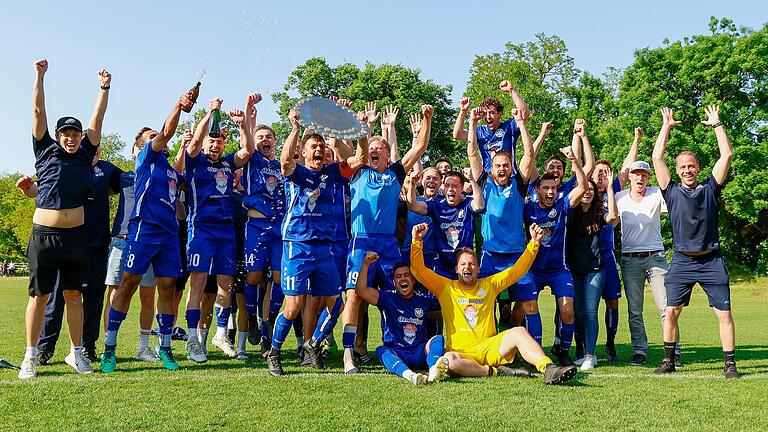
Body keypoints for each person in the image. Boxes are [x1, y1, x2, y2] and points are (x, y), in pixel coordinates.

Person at [18, 59, 110, 379]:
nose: (71, 138)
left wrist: (104, 88)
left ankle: (76, 352)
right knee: (40, 296)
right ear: (58, 136)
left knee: (74, 296)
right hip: (44, 235)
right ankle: (30, 355)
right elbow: (38, 112)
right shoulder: (44, 151)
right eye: (66, 133)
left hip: (75, 237)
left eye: (75, 133)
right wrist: (40, 76)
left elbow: (97, 120)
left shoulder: (86, 154)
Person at [264, 109, 369, 376]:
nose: (319, 150)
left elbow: (361, 158)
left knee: (337, 308)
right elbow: (285, 161)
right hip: (297, 245)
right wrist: (295, 128)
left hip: (324, 247)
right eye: (314, 146)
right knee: (293, 305)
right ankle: (274, 352)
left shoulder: (333, 172)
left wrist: (361, 132)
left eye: (322, 146)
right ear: (304, 150)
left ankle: (312, 344)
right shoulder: (296, 173)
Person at [410, 223, 576, 384]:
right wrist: (417, 241)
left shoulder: (489, 284)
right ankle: (496, 372)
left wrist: (534, 243)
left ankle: (548, 368)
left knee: (518, 331)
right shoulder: (445, 287)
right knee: (448, 361)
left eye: (472, 264)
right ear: (456, 269)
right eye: (463, 264)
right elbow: (418, 270)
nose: (468, 267)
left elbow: (517, 270)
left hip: (490, 348)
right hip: (461, 353)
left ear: (478, 269)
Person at [100, 90, 195, 373]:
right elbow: (167, 131)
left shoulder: (169, 171)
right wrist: (178, 105)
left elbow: (186, 163)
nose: (159, 140)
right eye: (151, 137)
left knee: (167, 288)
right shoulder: (145, 160)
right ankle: (110, 347)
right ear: (142, 146)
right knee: (127, 285)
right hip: (143, 229)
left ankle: (164, 346)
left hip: (168, 234)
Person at [337, 104, 433, 374]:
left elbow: (420, 148)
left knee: (396, 294)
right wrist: (363, 129)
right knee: (354, 296)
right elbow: (353, 147)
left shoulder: (395, 173)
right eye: (373, 149)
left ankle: (400, 346)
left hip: (388, 243)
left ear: (389, 155)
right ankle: (348, 354)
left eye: (381, 148)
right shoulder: (358, 171)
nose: (376, 151)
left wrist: (427, 119)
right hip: (361, 241)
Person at [652, 106, 738, 378]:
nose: (687, 170)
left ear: (698, 168)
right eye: (682, 167)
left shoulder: (710, 188)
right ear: (677, 171)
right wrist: (666, 127)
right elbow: (657, 158)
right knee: (672, 310)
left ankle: (730, 364)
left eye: (691, 166)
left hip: (711, 259)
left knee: (723, 314)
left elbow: (727, 154)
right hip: (682, 260)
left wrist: (717, 125)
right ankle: (668, 361)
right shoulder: (672, 191)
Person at [18, 146, 123, 365]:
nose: (92, 152)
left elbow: (130, 183)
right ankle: (45, 348)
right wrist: (28, 188)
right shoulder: (66, 165)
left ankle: (87, 347)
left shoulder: (108, 170)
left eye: (95, 149)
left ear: (99, 151)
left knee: (93, 296)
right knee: (55, 296)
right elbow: (40, 189)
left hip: (96, 244)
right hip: (68, 241)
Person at [183, 95, 257, 361]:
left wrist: (241, 124)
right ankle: (194, 339)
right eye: (211, 141)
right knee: (199, 285)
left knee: (226, 285)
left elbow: (247, 150)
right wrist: (211, 112)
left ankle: (219, 334)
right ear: (203, 144)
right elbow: (192, 144)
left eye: (219, 141)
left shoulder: (227, 162)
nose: (215, 144)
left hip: (226, 231)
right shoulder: (195, 161)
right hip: (201, 229)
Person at [466, 105, 540, 344]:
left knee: (529, 303)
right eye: (498, 165)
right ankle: (484, 346)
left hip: (517, 255)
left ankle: (537, 350)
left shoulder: (519, 184)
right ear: (492, 168)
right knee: (482, 303)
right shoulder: (485, 184)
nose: (502, 168)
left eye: (506, 165)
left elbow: (529, 154)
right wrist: (472, 121)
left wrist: (521, 124)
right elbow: (472, 152)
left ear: (511, 167)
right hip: (490, 256)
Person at [523, 146, 589, 366]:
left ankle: (561, 349)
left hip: (558, 269)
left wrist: (574, 160)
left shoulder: (562, 205)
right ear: (538, 189)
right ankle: (534, 353)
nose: (550, 192)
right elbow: (529, 159)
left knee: (567, 309)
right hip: (533, 268)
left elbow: (583, 186)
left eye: (553, 187)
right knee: (522, 311)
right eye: (545, 188)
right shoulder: (528, 208)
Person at [615, 158, 680, 367]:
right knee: (635, 310)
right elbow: (609, 219)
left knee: (666, 308)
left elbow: (668, 185)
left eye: (644, 174)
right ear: (630, 177)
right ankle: (639, 351)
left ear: (648, 178)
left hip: (656, 257)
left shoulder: (656, 193)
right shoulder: (620, 197)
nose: (640, 177)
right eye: (636, 174)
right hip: (630, 259)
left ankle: (673, 352)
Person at [354, 252, 445, 385]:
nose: (403, 279)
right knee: (381, 350)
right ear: (394, 282)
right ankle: (410, 375)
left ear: (413, 280)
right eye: (398, 276)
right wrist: (366, 264)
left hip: (419, 351)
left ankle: (433, 371)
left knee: (438, 339)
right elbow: (361, 290)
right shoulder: (387, 298)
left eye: (407, 275)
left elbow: (447, 304)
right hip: (398, 352)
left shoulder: (424, 300)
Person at [567, 176, 618, 370]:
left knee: (590, 312)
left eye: (591, 189)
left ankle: (590, 355)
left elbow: (612, 216)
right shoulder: (570, 212)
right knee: (577, 313)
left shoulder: (598, 212)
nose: (587, 192)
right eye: (584, 188)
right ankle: (582, 352)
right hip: (574, 269)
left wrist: (610, 188)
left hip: (594, 269)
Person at [452, 80, 530, 173]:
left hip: (510, 176)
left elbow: (524, 114)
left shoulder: (509, 126)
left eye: (492, 113)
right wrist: (463, 111)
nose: (488, 117)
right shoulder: (479, 131)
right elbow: (457, 134)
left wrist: (511, 90)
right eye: (485, 113)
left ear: (500, 113)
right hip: (488, 178)